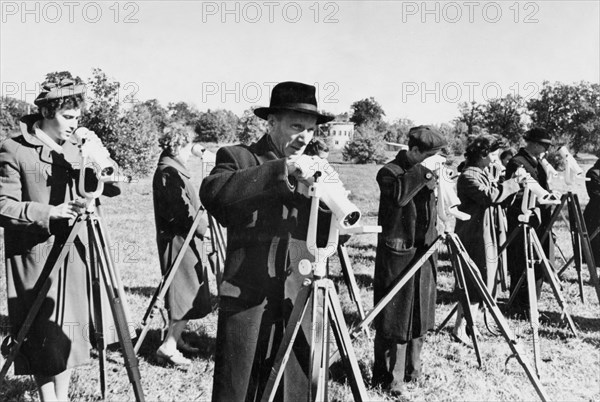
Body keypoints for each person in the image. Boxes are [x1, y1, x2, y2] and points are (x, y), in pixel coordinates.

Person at [200, 81, 334, 401]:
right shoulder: (239, 157)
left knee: (293, 389)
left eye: (311, 129)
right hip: (249, 297)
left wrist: (327, 200)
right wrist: (282, 171)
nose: (305, 137)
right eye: (296, 126)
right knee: (241, 388)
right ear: (271, 122)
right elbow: (215, 193)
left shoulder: (315, 169)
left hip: (296, 297)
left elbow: (329, 238)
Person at [0, 78, 120, 401]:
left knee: (65, 331)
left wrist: (99, 158)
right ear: (45, 111)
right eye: (68, 117)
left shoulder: (75, 148)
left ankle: (61, 397)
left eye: (77, 117)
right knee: (40, 334)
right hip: (35, 255)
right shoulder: (15, 148)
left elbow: (111, 186)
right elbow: (3, 205)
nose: (74, 124)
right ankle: (48, 398)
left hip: (71, 256)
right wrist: (48, 212)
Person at [372, 125, 446, 396]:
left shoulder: (424, 169)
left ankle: (413, 371)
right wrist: (425, 171)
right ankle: (389, 380)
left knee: (420, 313)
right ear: (414, 151)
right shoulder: (389, 173)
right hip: (398, 255)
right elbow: (401, 196)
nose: (434, 161)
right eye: (430, 155)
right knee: (395, 317)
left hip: (425, 251)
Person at [452, 135, 521, 344]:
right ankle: (459, 328)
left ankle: (470, 324)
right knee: (474, 280)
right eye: (492, 154)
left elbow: (498, 195)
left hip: (487, 233)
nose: (495, 158)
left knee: (485, 278)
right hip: (475, 234)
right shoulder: (468, 176)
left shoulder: (482, 172)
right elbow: (489, 196)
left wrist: (511, 184)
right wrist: (513, 183)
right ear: (482, 155)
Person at [152, 123, 211, 366]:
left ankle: (174, 339)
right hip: (179, 242)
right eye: (187, 147)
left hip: (185, 240)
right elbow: (181, 212)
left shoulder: (173, 167)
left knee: (188, 291)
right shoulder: (168, 172)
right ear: (177, 146)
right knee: (182, 294)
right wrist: (203, 228)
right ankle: (168, 345)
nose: (190, 152)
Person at [504, 127, 556, 312]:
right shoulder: (517, 162)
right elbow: (515, 194)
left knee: (538, 261)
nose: (546, 149)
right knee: (522, 262)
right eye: (543, 145)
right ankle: (521, 305)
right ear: (532, 143)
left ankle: (532, 302)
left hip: (539, 220)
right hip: (524, 219)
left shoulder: (537, 162)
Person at [583, 155, 600, 267]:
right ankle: (593, 276)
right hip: (595, 214)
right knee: (594, 247)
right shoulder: (593, 173)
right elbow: (595, 195)